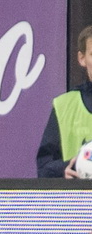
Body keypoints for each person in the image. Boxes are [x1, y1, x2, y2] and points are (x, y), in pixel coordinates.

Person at [36, 24, 92, 177]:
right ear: (82, 58)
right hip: (76, 198)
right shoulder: (64, 106)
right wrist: (65, 169)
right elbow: (43, 167)